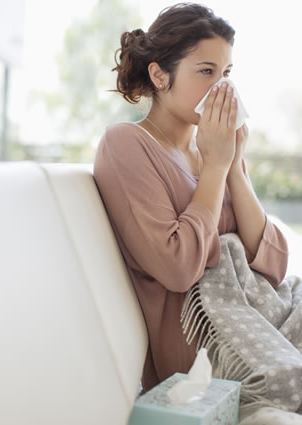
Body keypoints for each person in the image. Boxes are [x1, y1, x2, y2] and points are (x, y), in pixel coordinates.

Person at [93, 2, 289, 394]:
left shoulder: (215, 150)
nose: (223, 88)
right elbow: (179, 268)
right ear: (160, 75)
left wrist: (231, 166)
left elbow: (273, 264)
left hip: (265, 316)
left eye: (227, 73)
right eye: (206, 72)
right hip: (204, 350)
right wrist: (216, 168)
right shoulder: (127, 144)